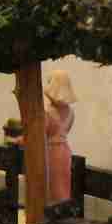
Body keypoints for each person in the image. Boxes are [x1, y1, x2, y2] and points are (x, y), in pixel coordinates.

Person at [43, 69, 77, 204]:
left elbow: (40, 134)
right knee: (65, 188)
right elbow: (65, 131)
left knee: (53, 190)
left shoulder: (47, 113)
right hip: (66, 153)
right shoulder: (71, 113)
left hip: (51, 153)